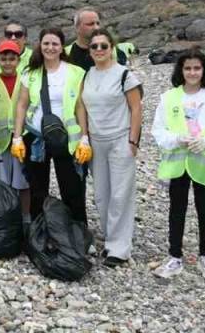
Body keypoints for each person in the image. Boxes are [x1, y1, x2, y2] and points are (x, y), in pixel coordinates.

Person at [151, 49, 205, 280]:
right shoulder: (168, 98)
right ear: (181, 70)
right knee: (176, 209)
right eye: (188, 68)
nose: (192, 72)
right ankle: (174, 256)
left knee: (204, 208)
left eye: (197, 68)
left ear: (203, 70)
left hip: (203, 162)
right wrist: (176, 139)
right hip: (178, 164)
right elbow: (158, 130)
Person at [11, 28, 92, 224]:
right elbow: (22, 104)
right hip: (36, 136)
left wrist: (84, 137)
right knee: (37, 188)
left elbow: (81, 105)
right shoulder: (30, 73)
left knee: (72, 186)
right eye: (46, 43)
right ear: (39, 45)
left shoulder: (75, 72)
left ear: (61, 46)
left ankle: (78, 231)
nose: (50, 47)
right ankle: (39, 232)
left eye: (55, 43)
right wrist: (17, 136)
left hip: (67, 137)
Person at [81, 29, 143, 267]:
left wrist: (133, 141)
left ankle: (119, 248)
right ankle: (109, 237)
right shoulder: (87, 75)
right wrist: (84, 136)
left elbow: (136, 108)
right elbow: (82, 108)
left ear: (112, 48)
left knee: (121, 194)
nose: (98, 50)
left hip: (120, 138)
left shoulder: (124, 75)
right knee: (101, 194)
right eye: (94, 46)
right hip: (96, 142)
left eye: (103, 46)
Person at [0, 40, 30, 219]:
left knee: (23, 181)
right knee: (1, 181)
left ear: (18, 60)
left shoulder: (25, 80)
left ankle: (25, 217)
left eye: (12, 59)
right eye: (4, 58)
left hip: (20, 138)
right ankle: (4, 217)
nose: (8, 62)